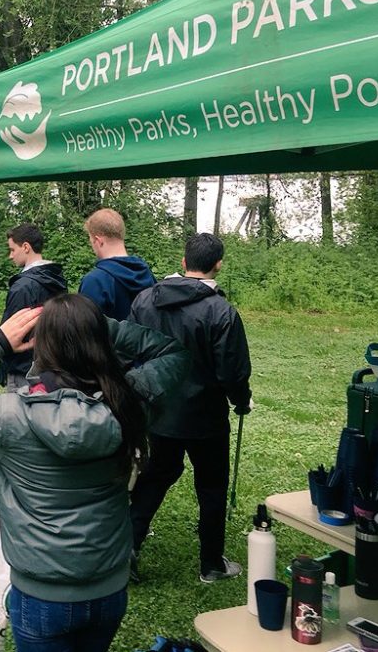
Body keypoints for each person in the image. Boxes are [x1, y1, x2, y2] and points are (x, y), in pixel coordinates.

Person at [0, 295, 189, 652]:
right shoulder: (130, 402)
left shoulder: (8, 418)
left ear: (42, 347)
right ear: (100, 342)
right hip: (109, 588)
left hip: (42, 596)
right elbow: (174, 353)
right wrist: (91, 326)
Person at [128, 233, 252, 584]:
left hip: (158, 410)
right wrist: (241, 400)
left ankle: (127, 550)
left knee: (153, 478)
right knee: (211, 487)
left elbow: (130, 352)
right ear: (218, 266)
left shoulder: (143, 301)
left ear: (184, 263)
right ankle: (211, 563)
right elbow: (233, 370)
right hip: (205, 419)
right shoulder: (221, 311)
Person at [0, 224, 67, 391]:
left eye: (12, 249)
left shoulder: (23, 287)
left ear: (26, 247)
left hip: (22, 370)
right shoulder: (57, 280)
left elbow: (11, 332)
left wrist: (4, 366)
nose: (10, 255)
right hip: (51, 369)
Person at [80, 208, 156, 320]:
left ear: (98, 241)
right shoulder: (146, 274)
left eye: (91, 241)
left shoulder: (95, 281)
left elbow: (85, 328)